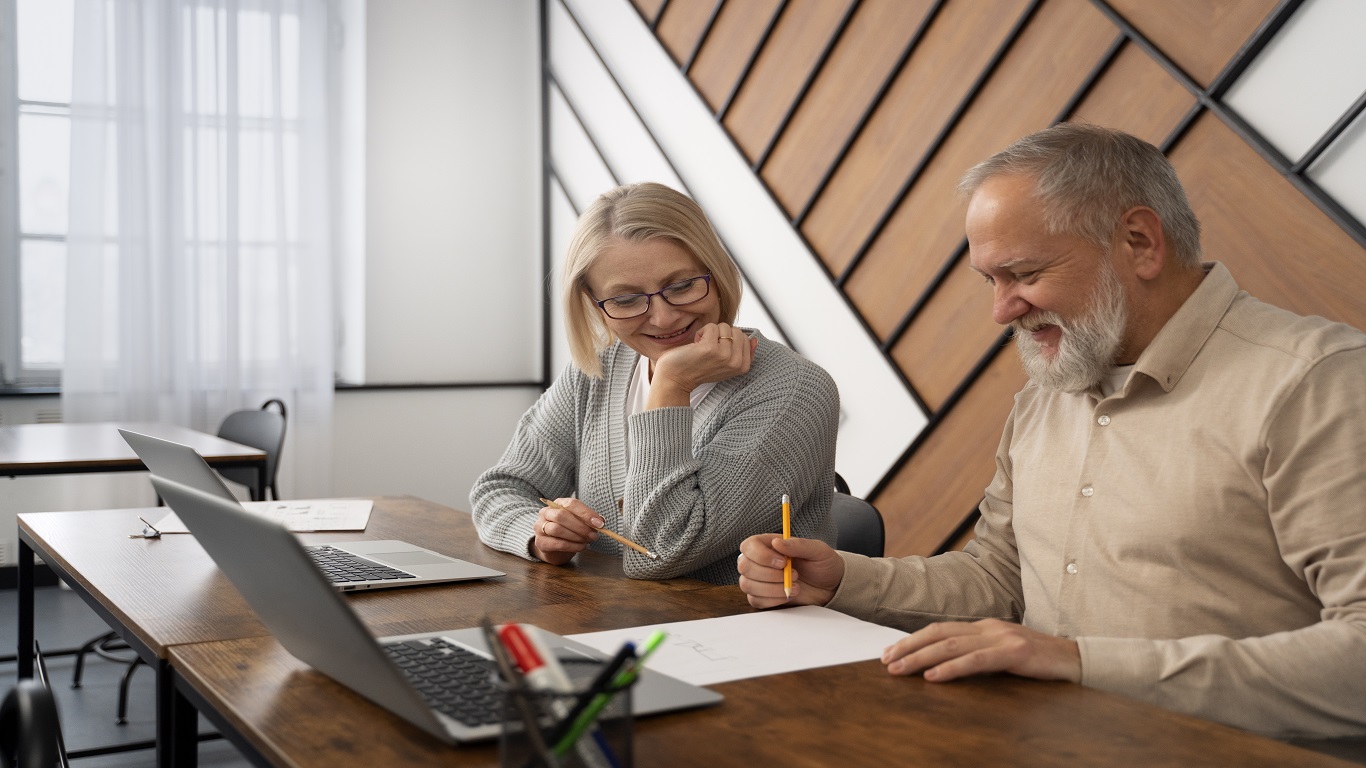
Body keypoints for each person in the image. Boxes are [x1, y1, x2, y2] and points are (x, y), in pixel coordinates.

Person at [737, 123, 1366, 738]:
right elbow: (1001, 579)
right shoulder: (1047, 394)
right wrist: (845, 580)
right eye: (990, 280)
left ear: (1141, 241)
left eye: (1026, 274)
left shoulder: (1317, 384)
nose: (1001, 310)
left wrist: (1078, 663)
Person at [473, 182, 839, 584]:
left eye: (682, 286)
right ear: (595, 306)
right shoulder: (599, 370)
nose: (663, 318)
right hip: (613, 621)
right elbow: (501, 488)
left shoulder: (794, 390)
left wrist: (671, 384)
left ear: (716, 274)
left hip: (739, 631)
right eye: (626, 300)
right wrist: (540, 533)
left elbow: (659, 553)